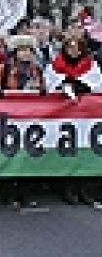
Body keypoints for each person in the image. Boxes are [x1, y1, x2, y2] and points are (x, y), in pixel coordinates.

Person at [45, 37, 102, 205]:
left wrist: (79, 85)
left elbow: (96, 85)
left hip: (85, 117)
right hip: (63, 117)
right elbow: (51, 85)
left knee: (83, 152)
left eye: (77, 48)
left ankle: (84, 189)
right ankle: (66, 189)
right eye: (70, 47)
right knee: (66, 153)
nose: (74, 51)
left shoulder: (90, 65)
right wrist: (64, 84)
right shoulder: (55, 65)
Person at [0, 34, 45, 209]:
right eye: (22, 50)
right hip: (9, 118)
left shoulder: (36, 70)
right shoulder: (4, 69)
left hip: (30, 118)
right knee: (10, 154)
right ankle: (8, 193)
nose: (26, 53)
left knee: (27, 156)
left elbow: (43, 89)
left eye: (29, 50)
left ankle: (25, 193)